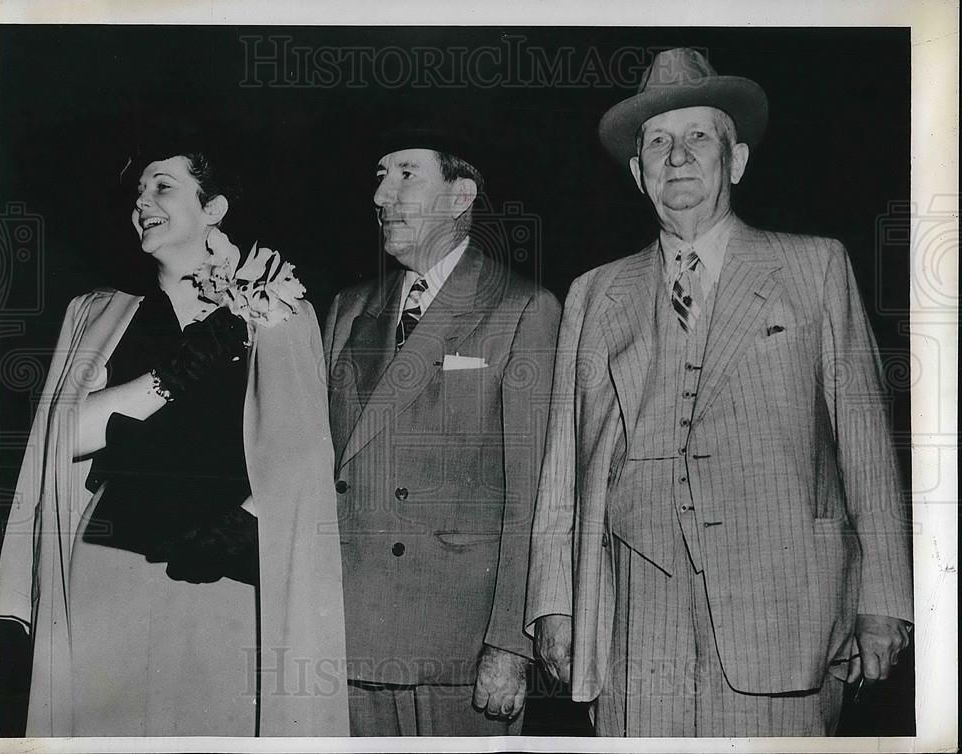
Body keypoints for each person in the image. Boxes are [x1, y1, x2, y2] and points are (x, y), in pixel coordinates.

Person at [526, 48, 913, 736]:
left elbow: (867, 449)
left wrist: (885, 600)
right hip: (634, 616)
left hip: (784, 607)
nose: (677, 156)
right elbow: (563, 464)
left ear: (735, 161)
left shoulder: (814, 266)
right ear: (637, 172)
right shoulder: (594, 293)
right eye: (657, 143)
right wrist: (555, 605)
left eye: (698, 136)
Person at [0, 142, 349, 736]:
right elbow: (67, 436)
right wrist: (172, 375)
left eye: (162, 187)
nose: (142, 204)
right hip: (108, 565)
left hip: (221, 573)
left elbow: (303, 451)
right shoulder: (101, 312)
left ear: (214, 209)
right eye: (136, 195)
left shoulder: (276, 307)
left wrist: (242, 522)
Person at [322, 123, 561, 735]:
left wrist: (511, 642)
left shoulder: (522, 308)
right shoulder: (348, 309)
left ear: (461, 197)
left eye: (406, 174)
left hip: (457, 647)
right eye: (380, 175)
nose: (381, 195)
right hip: (345, 632)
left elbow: (535, 494)